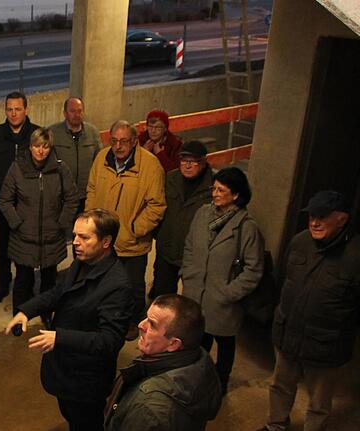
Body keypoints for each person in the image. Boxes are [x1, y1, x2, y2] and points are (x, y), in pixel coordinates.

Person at [5, 209, 132, 431]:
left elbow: (109, 341)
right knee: (71, 415)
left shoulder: (117, 285)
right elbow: (57, 293)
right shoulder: (81, 262)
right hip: (66, 369)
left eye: (84, 237)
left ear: (106, 242)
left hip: (86, 379)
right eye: (74, 235)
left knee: (86, 423)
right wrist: (26, 311)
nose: (75, 242)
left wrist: (60, 338)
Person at [258, 190, 360, 431]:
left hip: (325, 346)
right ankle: (275, 426)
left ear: (342, 218)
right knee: (280, 387)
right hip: (288, 335)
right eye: (312, 215)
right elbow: (284, 280)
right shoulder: (300, 241)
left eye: (322, 216)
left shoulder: (355, 256)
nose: (314, 222)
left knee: (318, 402)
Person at [181, 166, 264, 395]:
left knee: (224, 343)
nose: (215, 194)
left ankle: (220, 383)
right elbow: (189, 246)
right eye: (214, 189)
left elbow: (254, 269)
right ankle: (197, 379)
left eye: (221, 190)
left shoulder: (247, 228)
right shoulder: (202, 214)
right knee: (199, 340)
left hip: (223, 300)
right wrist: (187, 273)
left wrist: (229, 293)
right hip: (196, 292)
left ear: (236, 195)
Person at [86, 120, 166, 340]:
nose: (118, 146)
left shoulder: (150, 166)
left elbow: (157, 205)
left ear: (134, 141)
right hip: (103, 239)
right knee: (102, 281)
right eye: (114, 141)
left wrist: (133, 229)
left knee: (132, 287)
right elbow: (92, 188)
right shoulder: (102, 158)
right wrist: (92, 221)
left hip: (132, 243)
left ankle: (133, 321)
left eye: (123, 141)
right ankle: (106, 317)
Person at [0, 128, 78, 332]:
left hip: (52, 236)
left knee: (49, 281)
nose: (40, 151)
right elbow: (5, 200)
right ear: (30, 147)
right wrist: (17, 222)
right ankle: (19, 316)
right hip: (23, 237)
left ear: (50, 148)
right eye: (36, 146)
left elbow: (72, 198)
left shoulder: (60, 170)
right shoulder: (18, 168)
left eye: (45, 146)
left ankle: (46, 314)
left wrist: (61, 223)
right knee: (23, 280)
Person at [104, 294, 222, 430]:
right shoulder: (198, 358)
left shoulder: (149, 410)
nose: (141, 325)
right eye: (146, 318)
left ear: (173, 344)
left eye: (152, 325)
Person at [0, 91, 40, 306]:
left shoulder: (37, 134)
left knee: (28, 247)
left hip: (29, 206)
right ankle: (3, 285)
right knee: (3, 246)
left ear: (26, 110)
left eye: (18, 109)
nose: (13, 114)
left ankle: (27, 288)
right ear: (5, 111)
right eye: (9, 109)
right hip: (3, 205)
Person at [150, 140, 213, 300]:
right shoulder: (170, 179)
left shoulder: (213, 187)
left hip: (194, 256)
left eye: (193, 161)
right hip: (167, 249)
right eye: (184, 160)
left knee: (191, 300)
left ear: (203, 162)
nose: (187, 165)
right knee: (162, 297)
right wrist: (160, 234)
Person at [47, 97, 101, 214]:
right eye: (73, 111)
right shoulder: (53, 132)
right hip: (62, 197)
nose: (77, 115)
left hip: (86, 196)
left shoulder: (93, 132)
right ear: (65, 113)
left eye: (80, 111)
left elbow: (99, 161)